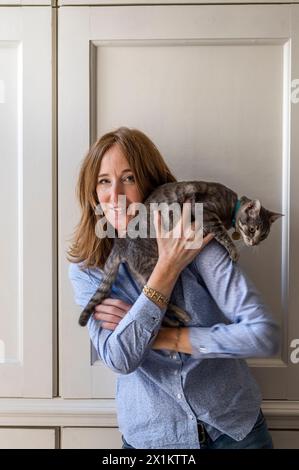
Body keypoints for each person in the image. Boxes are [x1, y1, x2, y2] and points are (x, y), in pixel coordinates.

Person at [68, 126, 279, 449]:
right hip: (153, 440)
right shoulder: (89, 268)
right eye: (104, 181)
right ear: (92, 191)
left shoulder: (198, 239)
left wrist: (167, 337)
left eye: (129, 178)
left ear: (150, 184)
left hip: (235, 430)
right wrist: (166, 270)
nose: (116, 195)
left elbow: (262, 335)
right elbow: (120, 359)